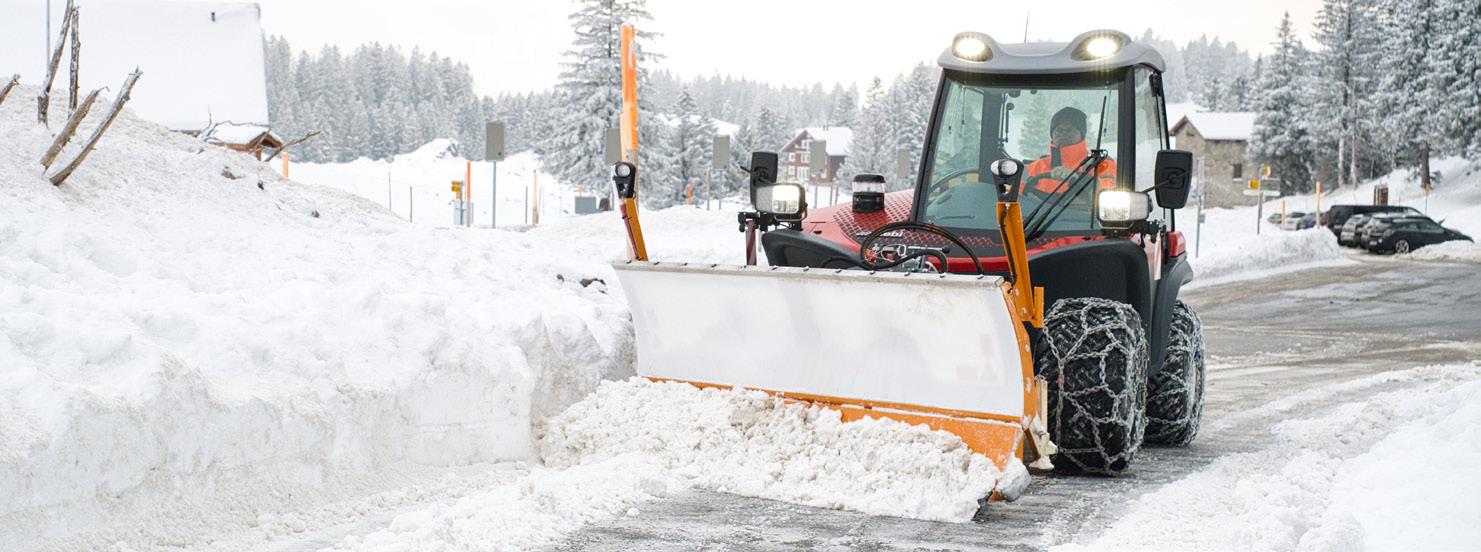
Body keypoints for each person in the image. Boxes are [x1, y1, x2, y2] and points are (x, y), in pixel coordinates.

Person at [1024, 107, 1117, 194]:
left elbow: (1106, 190)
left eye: (1069, 130)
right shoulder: (1035, 167)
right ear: (1052, 134)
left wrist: (1079, 179)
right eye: (1059, 130)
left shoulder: (1100, 164)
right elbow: (1017, 190)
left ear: (1081, 134)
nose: (1063, 134)